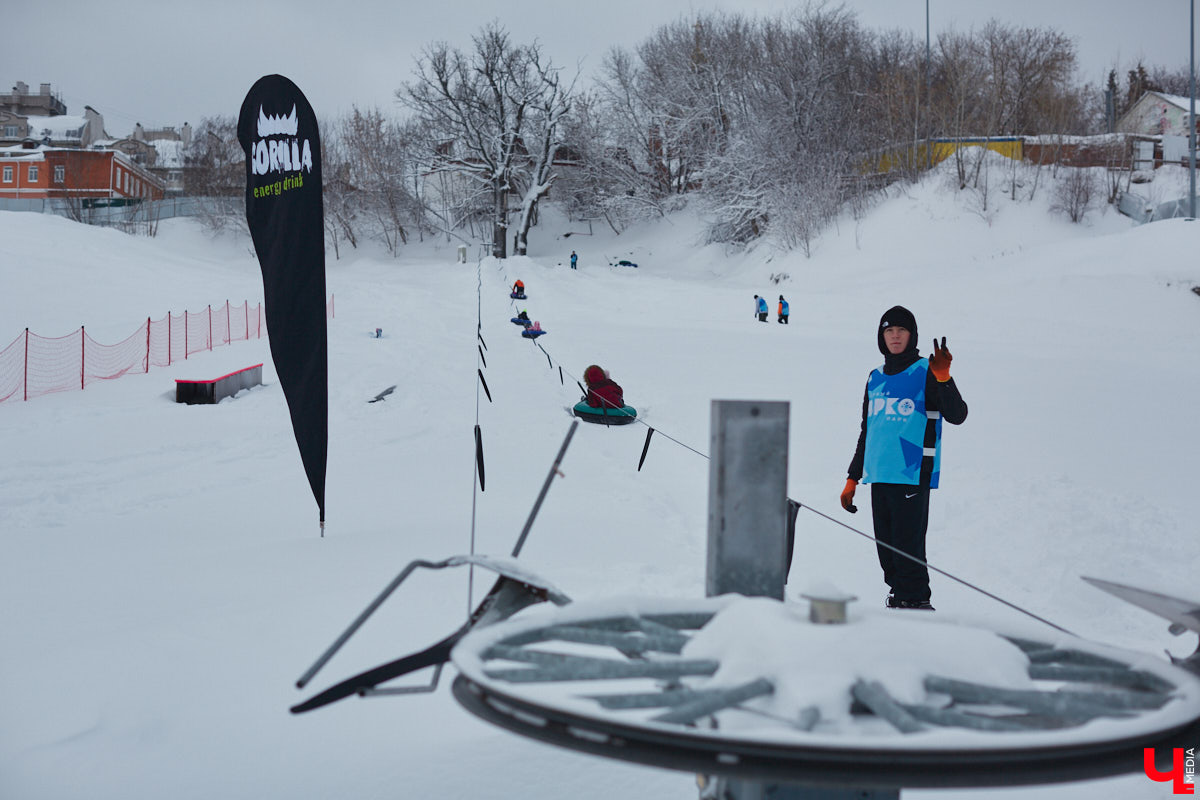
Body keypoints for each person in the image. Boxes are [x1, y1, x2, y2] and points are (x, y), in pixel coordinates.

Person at [840, 306, 967, 611]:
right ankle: (900, 602)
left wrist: (944, 379)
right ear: (881, 337)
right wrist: (852, 477)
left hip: (911, 475)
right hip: (879, 475)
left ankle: (916, 605)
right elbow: (867, 431)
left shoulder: (927, 370)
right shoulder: (875, 378)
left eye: (901, 330)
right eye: (888, 331)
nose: (895, 336)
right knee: (887, 554)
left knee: (908, 552)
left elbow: (957, 414)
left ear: (912, 335)